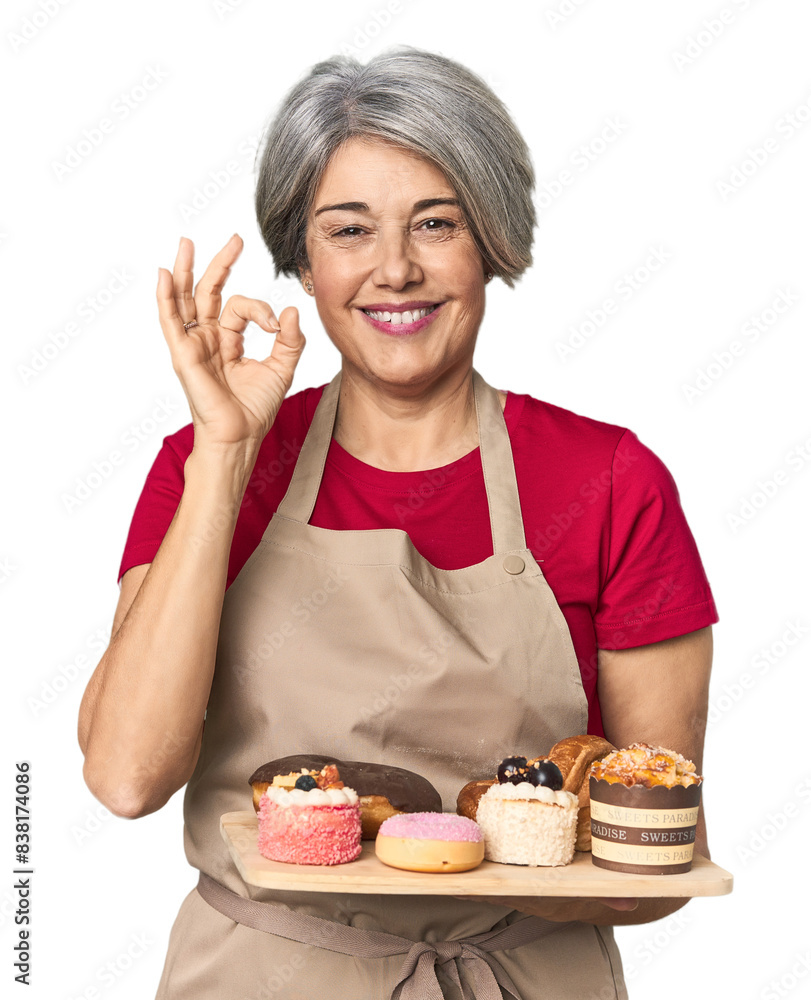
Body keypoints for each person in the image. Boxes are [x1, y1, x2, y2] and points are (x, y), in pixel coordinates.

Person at [78, 46, 717, 999]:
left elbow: (663, 842)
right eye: (347, 229)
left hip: (523, 975)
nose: (395, 270)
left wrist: (483, 857)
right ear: (301, 254)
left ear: (492, 240)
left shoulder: (609, 481)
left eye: (437, 223)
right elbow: (126, 778)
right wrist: (223, 451)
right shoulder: (210, 466)